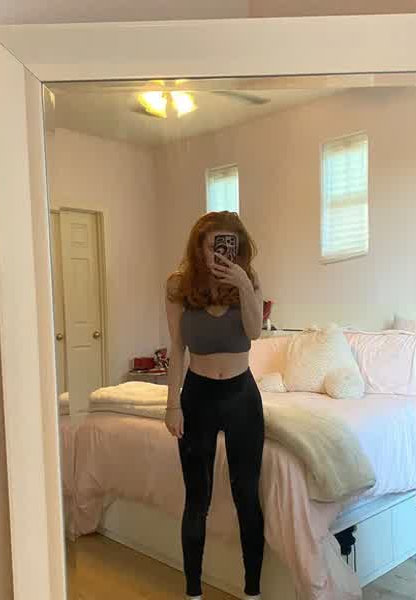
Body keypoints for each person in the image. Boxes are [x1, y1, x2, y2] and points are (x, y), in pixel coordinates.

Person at [164, 211, 265, 600]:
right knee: (197, 498)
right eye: (214, 245)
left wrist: (243, 284)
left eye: (229, 244)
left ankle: (253, 592)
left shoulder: (248, 280)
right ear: (199, 247)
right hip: (198, 396)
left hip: (242, 397)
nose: (222, 252)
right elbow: (176, 348)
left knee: (246, 497)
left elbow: (254, 332)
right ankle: (193, 593)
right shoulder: (178, 286)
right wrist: (172, 405)